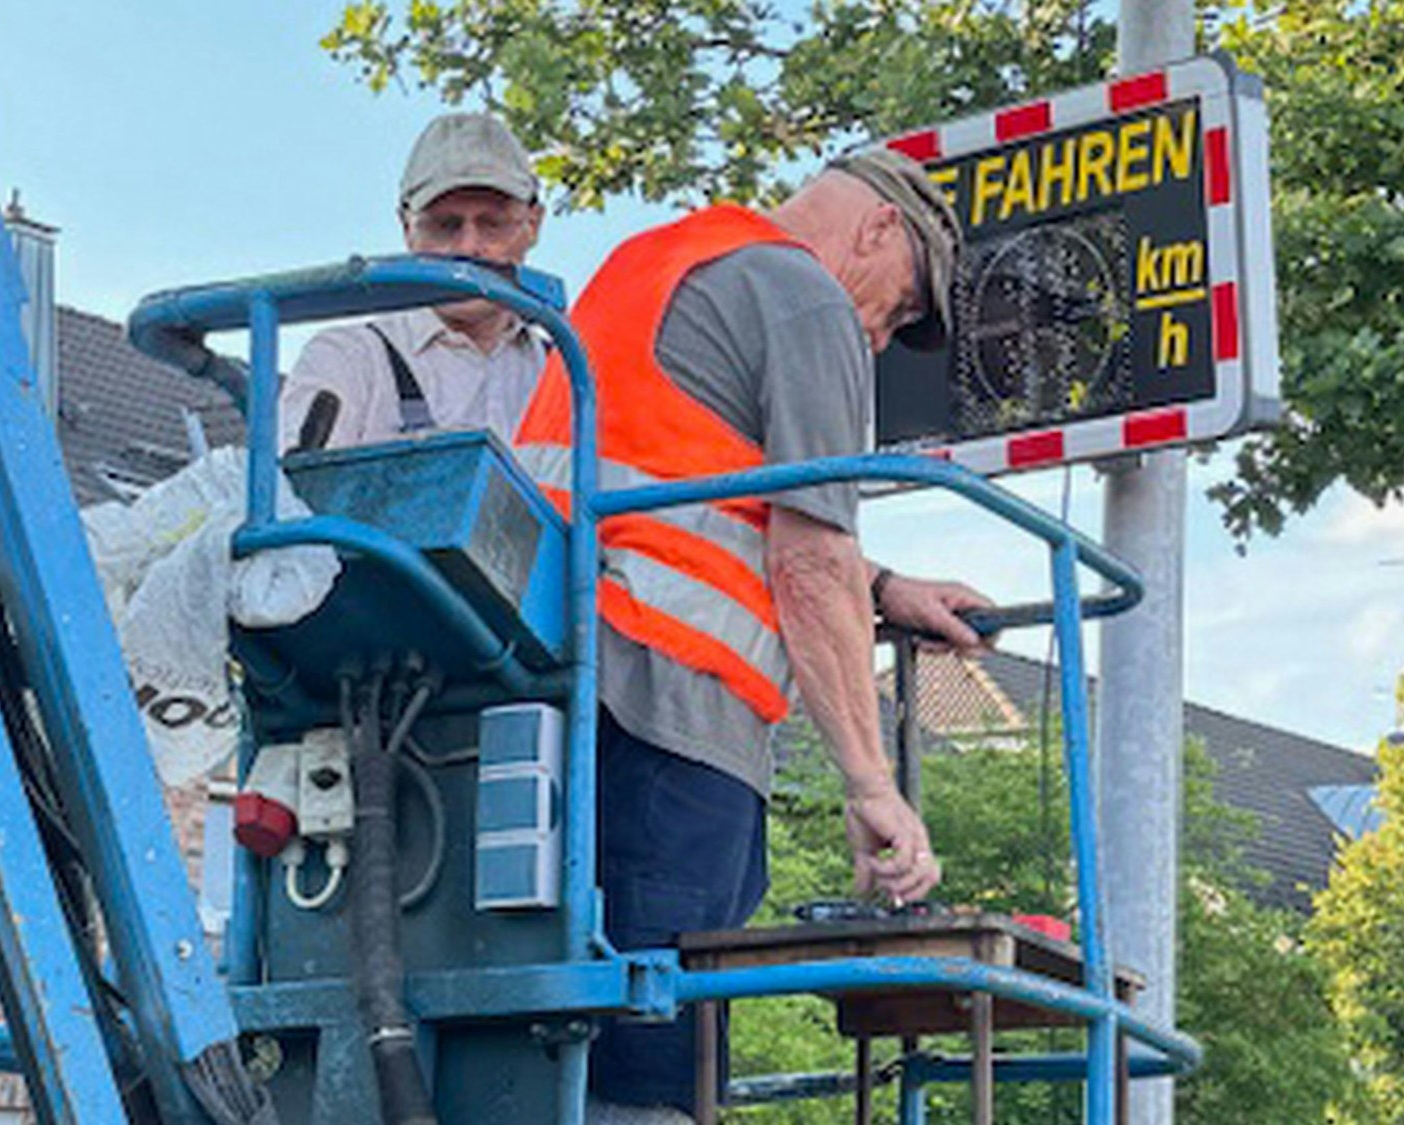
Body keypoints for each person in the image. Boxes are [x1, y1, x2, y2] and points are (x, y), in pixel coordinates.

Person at [513, 150, 988, 1122]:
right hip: (666, 711)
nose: (878, 336)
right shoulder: (806, 298)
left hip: (548, 689)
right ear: (877, 232)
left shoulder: (656, 263)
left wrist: (884, 587)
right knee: (653, 1059)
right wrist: (869, 783)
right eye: (898, 314)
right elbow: (805, 559)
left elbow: (674, 490)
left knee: (547, 1047)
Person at [278, 112, 547, 452]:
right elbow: (292, 500)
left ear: (533, 224)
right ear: (407, 228)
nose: (468, 247)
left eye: (492, 223)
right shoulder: (349, 362)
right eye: (445, 225)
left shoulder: (569, 377)